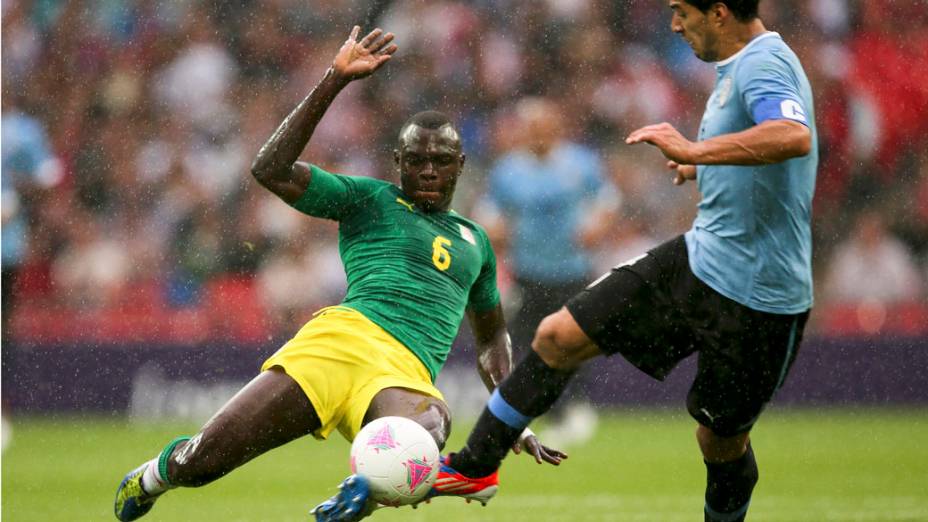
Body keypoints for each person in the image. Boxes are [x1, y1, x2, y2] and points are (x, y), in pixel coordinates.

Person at [113, 26, 564, 522]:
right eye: (416, 161)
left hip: (404, 373)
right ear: (398, 164)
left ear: (460, 164)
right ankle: (155, 475)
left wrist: (512, 418)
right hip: (336, 344)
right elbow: (271, 169)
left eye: (440, 161)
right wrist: (334, 79)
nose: (429, 171)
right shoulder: (368, 199)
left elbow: (491, 338)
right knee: (204, 463)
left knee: (427, 433)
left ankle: (358, 497)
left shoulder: (476, 240)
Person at [442, 2, 818, 521]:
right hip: (702, 258)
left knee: (719, 441)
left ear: (719, 13)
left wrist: (695, 151)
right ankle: (474, 465)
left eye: (682, 12)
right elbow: (758, 150)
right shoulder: (739, 66)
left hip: (761, 295)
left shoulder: (764, 63)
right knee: (557, 337)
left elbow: (791, 136)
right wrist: (707, 170)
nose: (674, 25)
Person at [476, 97, 616, 447]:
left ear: (557, 128)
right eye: (532, 128)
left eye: (544, 127)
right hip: (529, 271)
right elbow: (489, 211)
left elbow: (608, 199)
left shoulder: (579, 163)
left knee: (574, 340)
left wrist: (597, 225)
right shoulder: (508, 171)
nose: (538, 134)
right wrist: (495, 229)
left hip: (572, 270)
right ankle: (556, 409)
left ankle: (575, 406)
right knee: (527, 342)